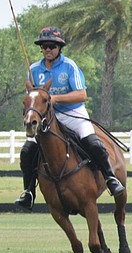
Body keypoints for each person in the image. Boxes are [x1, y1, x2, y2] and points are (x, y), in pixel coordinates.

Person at [14, 26, 124, 211]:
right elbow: (31, 99)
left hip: (73, 114)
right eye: (44, 46)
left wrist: (55, 99)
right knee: (27, 150)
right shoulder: (33, 70)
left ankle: (110, 179)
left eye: (52, 46)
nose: (48, 49)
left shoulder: (69, 66)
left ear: (59, 48)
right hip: (47, 117)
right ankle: (29, 192)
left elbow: (82, 95)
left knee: (93, 143)